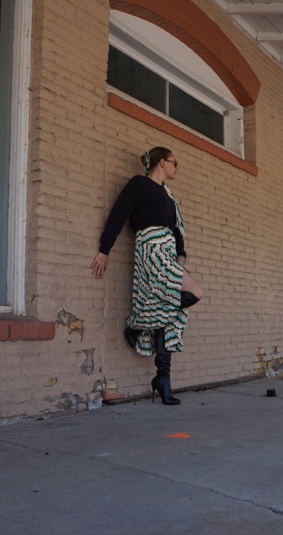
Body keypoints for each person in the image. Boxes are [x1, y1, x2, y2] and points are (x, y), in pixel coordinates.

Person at [90, 147, 203, 405]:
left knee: (166, 309)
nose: (177, 167)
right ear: (162, 162)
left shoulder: (167, 194)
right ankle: (137, 323)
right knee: (196, 292)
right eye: (176, 162)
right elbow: (118, 215)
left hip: (167, 250)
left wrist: (181, 254)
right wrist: (104, 250)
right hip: (150, 248)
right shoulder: (139, 184)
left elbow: (175, 229)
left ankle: (162, 378)